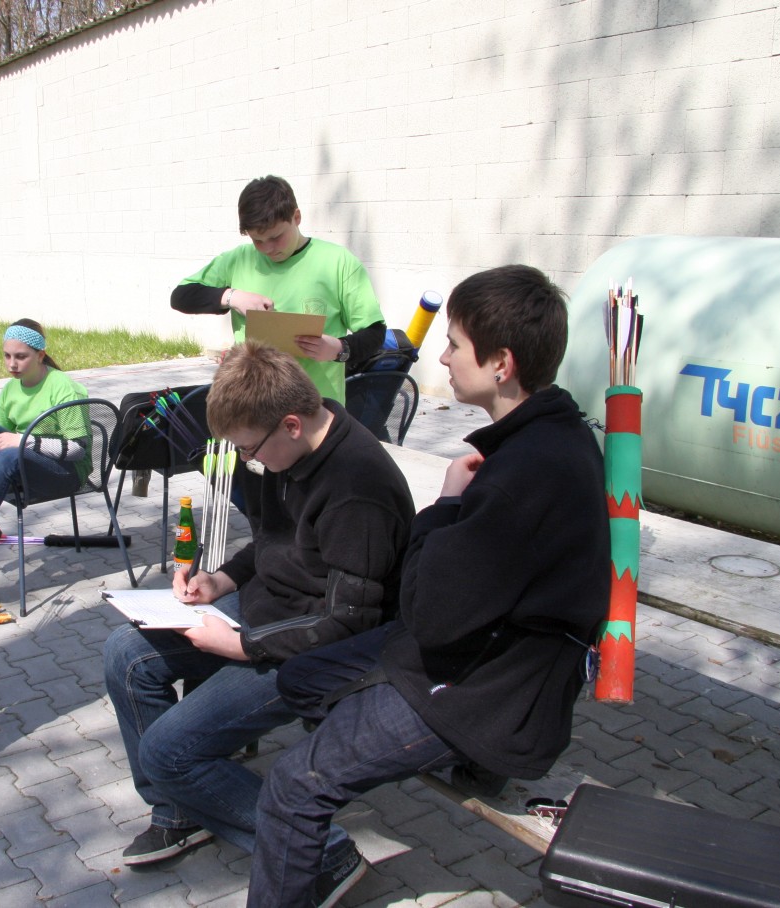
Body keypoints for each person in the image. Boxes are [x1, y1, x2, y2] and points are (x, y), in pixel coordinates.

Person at [247, 265, 612, 907]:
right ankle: (444, 753)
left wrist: (443, 506)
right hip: (488, 655)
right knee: (301, 678)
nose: (441, 357)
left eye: (454, 344)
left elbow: (431, 614)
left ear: (501, 364)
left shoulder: (524, 472)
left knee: (294, 787)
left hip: (492, 693)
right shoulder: (551, 435)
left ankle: (464, 751)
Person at [102, 341, 415, 877]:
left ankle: (325, 854)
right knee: (125, 654)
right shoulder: (293, 447)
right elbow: (274, 541)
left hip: (316, 648)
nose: (248, 461)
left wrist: (242, 646)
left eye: (249, 449)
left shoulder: (356, 488)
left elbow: (349, 621)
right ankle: (182, 810)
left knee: (167, 753)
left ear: (290, 424)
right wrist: (220, 579)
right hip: (268, 613)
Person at [172, 175, 387, 403]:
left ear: (296, 217)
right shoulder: (238, 260)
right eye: (258, 240)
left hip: (316, 408)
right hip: (252, 405)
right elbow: (181, 296)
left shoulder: (338, 262)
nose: (268, 249)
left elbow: (375, 333)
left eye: (276, 237)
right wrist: (232, 296)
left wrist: (339, 348)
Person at [0, 319, 89, 563]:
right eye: (6, 356)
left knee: (7, 456)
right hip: (26, 467)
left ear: (40, 355)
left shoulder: (62, 386)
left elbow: (77, 449)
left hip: (65, 472)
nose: (12, 364)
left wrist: (23, 441)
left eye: (20, 356)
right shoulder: (10, 389)